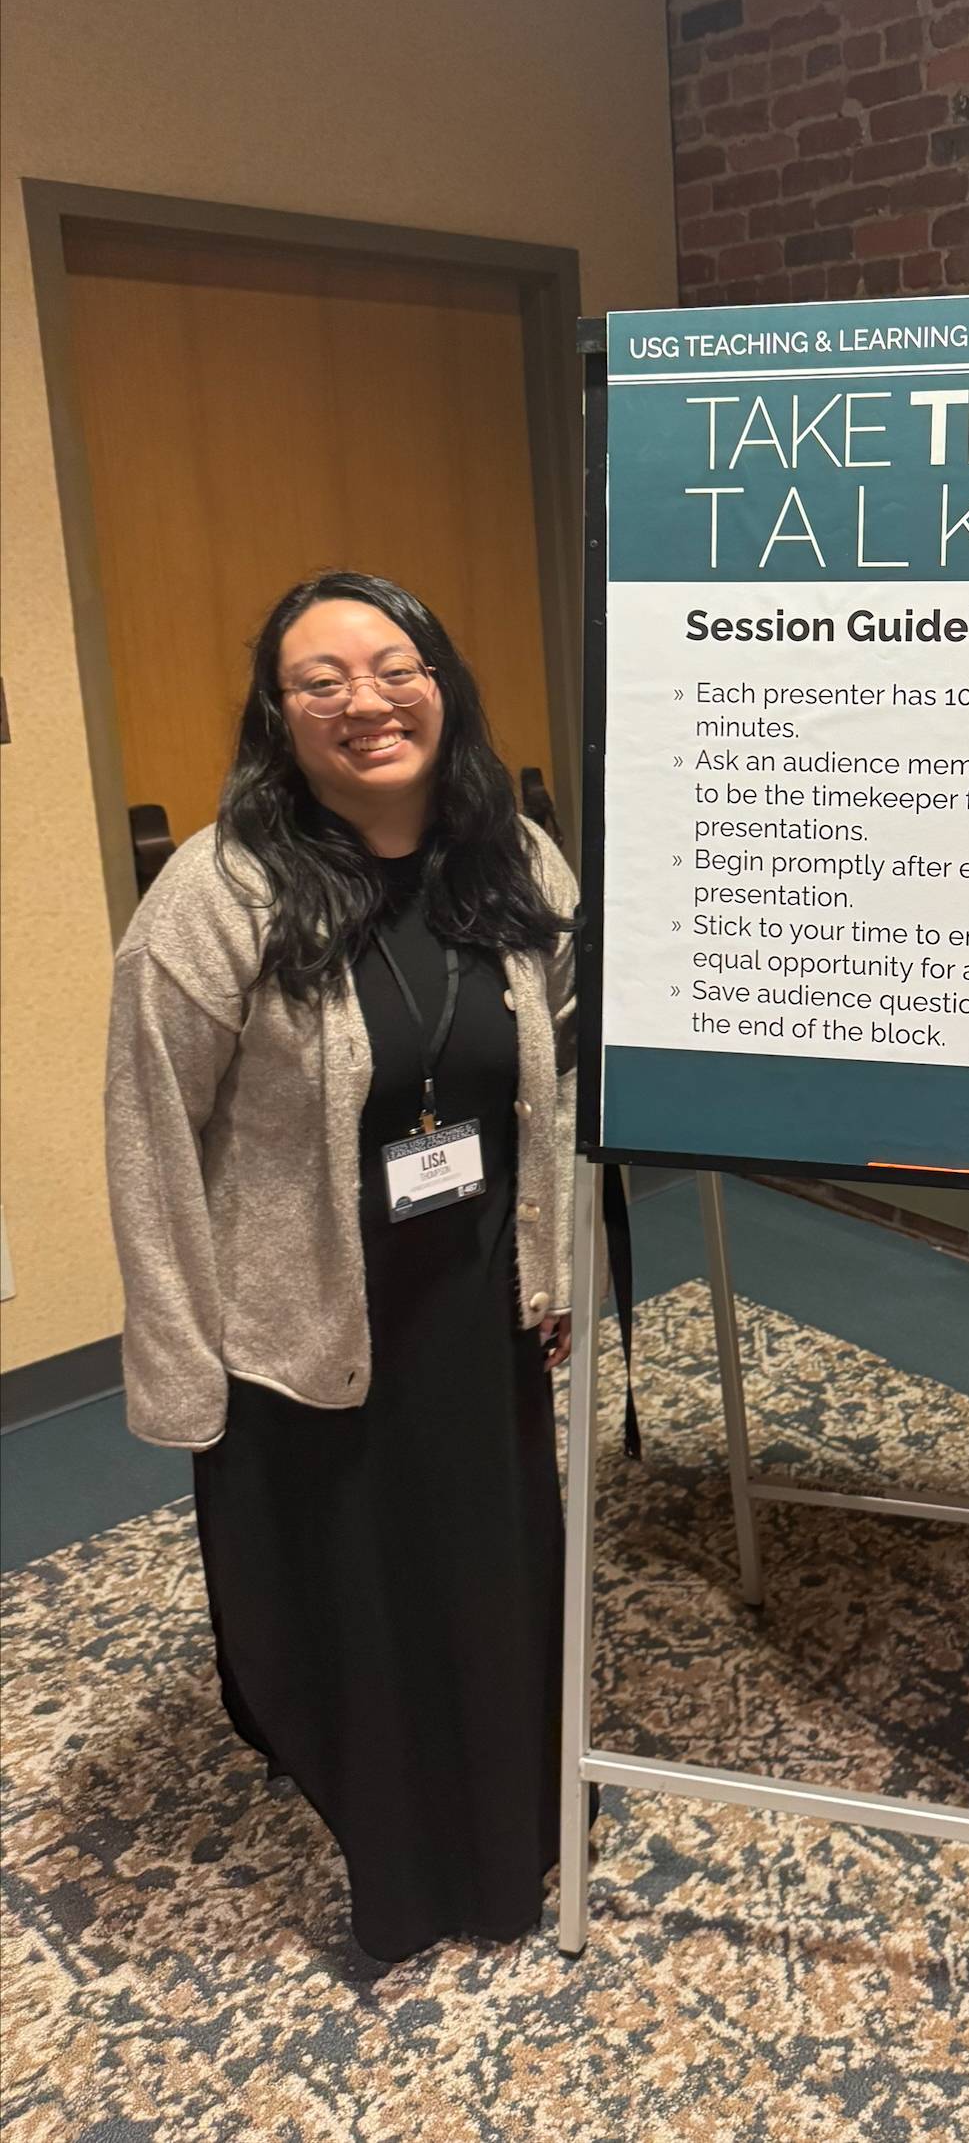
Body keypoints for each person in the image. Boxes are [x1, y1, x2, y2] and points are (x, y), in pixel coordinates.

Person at [106, 571, 579, 1963]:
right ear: (279, 716)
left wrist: (552, 1278)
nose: (366, 700)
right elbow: (150, 1140)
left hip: (477, 1293)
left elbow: (545, 1087)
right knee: (363, 1603)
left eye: (395, 664)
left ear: (445, 681)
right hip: (307, 1314)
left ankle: (514, 1829)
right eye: (321, 680)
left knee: (487, 1578)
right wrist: (185, 1371)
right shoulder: (216, 897)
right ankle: (413, 1865)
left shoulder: (522, 864)